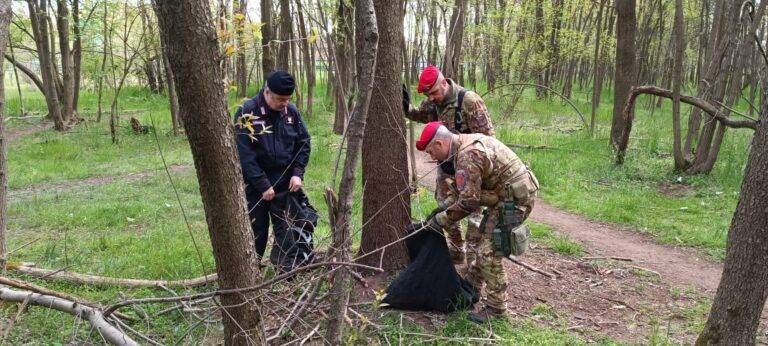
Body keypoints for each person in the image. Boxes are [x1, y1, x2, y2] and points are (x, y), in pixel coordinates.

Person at [416, 121, 539, 323]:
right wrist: (442, 208)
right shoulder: (459, 149)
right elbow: (462, 190)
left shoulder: (467, 155)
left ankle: (497, 309)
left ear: (439, 143)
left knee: (488, 253)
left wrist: (442, 219)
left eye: (431, 152)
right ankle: (471, 287)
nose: (431, 157)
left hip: (515, 201)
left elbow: (469, 202)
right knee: (483, 241)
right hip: (502, 197)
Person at [402, 65, 496, 265]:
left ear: (444, 83)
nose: (432, 97)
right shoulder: (433, 102)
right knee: (444, 209)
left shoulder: (469, 101)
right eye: (428, 95)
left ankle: (474, 264)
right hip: (446, 169)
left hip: (471, 168)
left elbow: (488, 141)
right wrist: (406, 108)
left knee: (473, 214)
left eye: (434, 92)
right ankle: (457, 250)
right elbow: (421, 115)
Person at [234, 71, 311, 258]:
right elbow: (244, 154)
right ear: (267, 92)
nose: (284, 103)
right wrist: (261, 183)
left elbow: (303, 143)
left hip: (285, 184)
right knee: (256, 230)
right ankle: (253, 271)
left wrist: (297, 173)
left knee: (287, 229)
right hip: (255, 186)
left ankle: (286, 272)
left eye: (287, 99)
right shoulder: (247, 112)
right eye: (279, 99)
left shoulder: (291, 112)